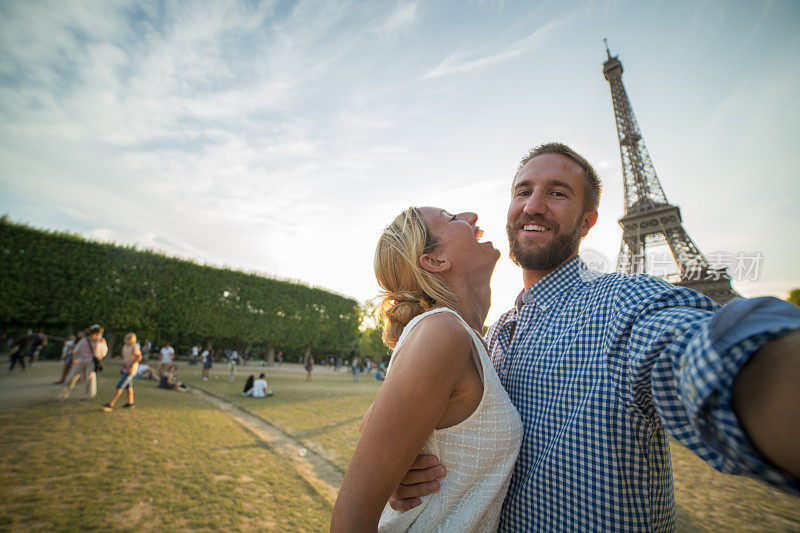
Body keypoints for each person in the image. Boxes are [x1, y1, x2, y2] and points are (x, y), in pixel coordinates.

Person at [387, 143, 800, 531]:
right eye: (523, 191)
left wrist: (767, 371)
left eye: (559, 193)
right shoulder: (491, 339)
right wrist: (399, 463)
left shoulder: (623, 304)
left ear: (587, 222)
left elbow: (694, 348)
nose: (534, 205)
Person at [331, 206, 523, 532]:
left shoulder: (465, 338)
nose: (470, 216)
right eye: (450, 218)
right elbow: (349, 521)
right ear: (434, 261)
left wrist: (398, 468)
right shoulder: (442, 333)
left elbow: (370, 424)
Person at [59, 324, 108, 401]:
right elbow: (76, 350)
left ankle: (89, 395)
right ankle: (64, 394)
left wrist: (99, 357)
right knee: (71, 377)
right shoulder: (85, 340)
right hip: (81, 360)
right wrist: (75, 359)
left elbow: (104, 351)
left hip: (91, 362)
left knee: (90, 378)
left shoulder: (101, 341)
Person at [102, 332, 142, 411]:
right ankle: (130, 403)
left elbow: (138, 357)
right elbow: (126, 355)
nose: (125, 339)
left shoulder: (135, 346)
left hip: (130, 370)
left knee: (120, 385)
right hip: (125, 368)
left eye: (127, 338)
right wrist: (119, 357)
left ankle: (111, 403)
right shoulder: (125, 346)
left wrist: (131, 366)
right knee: (128, 386)